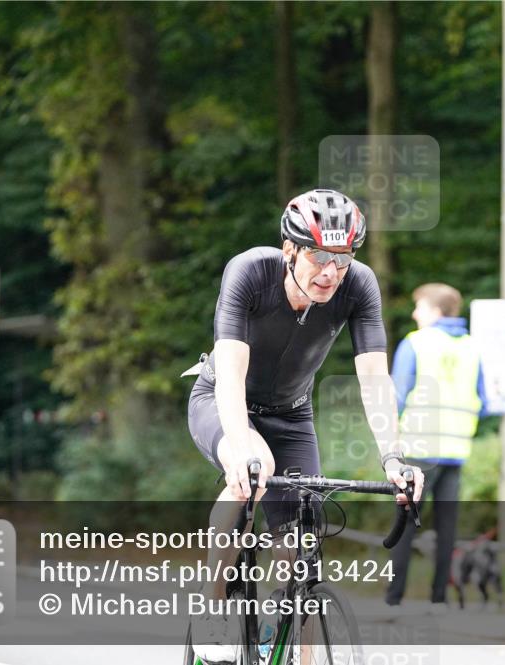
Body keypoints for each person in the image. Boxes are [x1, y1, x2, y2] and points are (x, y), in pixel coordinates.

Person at [186, 188, 425, 663]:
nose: (330, 271)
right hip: (223, 399)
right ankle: (212, 607)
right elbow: (232, 371)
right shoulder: (250, 273)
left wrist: (393, 458)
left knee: (300, 555)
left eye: (342, 257)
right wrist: (241, 445)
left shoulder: (359, 285)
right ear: (290, 249)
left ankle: (294, 645)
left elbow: (375, 378)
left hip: (292, 414)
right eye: (318, 255)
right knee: (252, 467)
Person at [384, 283, 488, 610]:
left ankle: (393, 601)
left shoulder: (416, 343)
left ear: (436, 311)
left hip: (417, 450)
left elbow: (396, 397)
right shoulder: (472, 348)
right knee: (448, 530)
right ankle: (438, 600)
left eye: (421, 307)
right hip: (456, 452)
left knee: (404, 524)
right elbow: (483, 402)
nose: (415, 314)